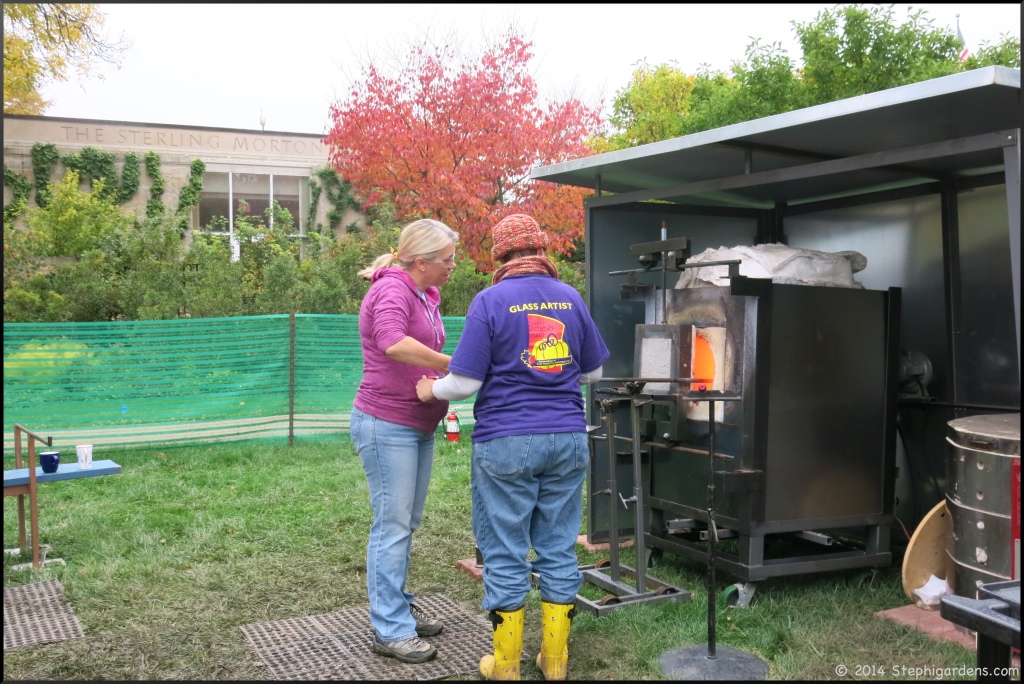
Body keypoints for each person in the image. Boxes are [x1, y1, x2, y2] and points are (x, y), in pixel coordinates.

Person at [416, 214, 609, 681]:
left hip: (506, 441)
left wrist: (429, 391)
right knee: (559, 548)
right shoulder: (570, 297)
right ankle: (555, 662)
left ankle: (505, 666)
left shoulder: (490, 300)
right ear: (542, 249)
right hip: (567, 437)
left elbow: (463, 382)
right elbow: (594, 374)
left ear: (500, 255)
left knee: (504, 552)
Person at [351, 218, 459, 665]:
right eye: (447, 260)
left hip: (419, 425)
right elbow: (392, 342)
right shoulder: (392, 289)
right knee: (391, 526)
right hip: (386, 423)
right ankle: (390, 629)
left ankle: (397, 609)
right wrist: (453, 362)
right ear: (420, 262)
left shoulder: (425, 295)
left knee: (406, 523)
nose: (453, 266)